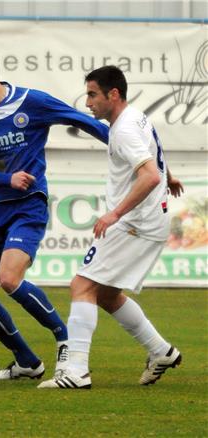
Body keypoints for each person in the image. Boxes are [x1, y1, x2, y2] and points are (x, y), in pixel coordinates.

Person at [0, 43, 109, 381]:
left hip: (29, 204)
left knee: (9, 278)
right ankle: (27, 361)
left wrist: (137, 152)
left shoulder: (31, 101)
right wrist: (7, 177)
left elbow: (84, 121)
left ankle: (64, 338)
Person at [38, 65, 184, 389]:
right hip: (151, 218)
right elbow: (153, 161)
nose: (88, 103)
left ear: (113, 94)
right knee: (105, 293)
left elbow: (149, 175)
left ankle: (76, 372)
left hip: (136, 222)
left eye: (92, 94)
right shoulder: (135, 117)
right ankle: (161, 351)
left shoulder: (124, 130)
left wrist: (114, 214)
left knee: (81, 286)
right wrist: (169, 174)